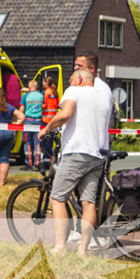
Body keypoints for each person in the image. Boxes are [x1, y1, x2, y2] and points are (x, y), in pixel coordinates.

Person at [39, 68, 111, 258]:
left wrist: (46, 129)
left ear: (79, 79)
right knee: (88, 203)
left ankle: (60, 247)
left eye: (71, 79)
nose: (69, 82)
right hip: (96, 155)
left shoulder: (74, 91)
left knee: (57, 199)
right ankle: (83, 250)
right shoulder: (103, 98)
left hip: (76, 152)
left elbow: (65, 114)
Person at [20, 79, 44, 167]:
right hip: (39, 121)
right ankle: (37, 163)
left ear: (29, 87)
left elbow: (21, 110)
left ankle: (29, 163)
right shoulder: (41, 96)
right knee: (37, 142)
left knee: (27, 142)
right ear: (37, 87)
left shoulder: (25, 96)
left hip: (28, 121)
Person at [40, 76, 59, 160]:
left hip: (45, 119)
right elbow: (56, 105)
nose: (42, 83)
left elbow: (44, 105)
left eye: (43, 82)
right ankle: (51, 158)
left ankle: (47, 158)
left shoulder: (46, 92)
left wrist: (38, 106)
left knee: (45, 141)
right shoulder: (55, 92)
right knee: (50, 140)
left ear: (46, 83)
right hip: (53, 119)